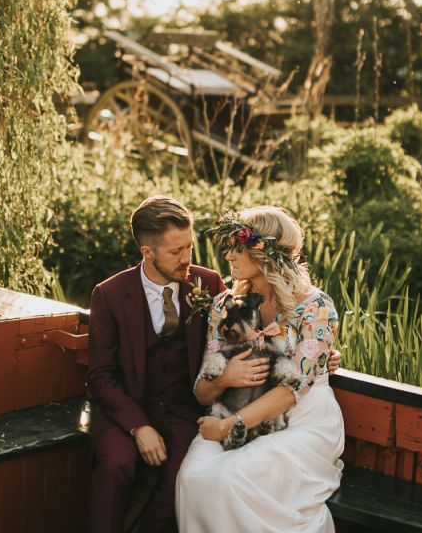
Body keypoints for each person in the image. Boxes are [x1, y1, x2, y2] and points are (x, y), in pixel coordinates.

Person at [87, 196, 342, 533]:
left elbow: (296, 373)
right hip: (138, 409)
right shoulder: (113, 294)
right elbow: (102, 376)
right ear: (147, 252)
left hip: (257, 415)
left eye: (189, 247)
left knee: (199, 477)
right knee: (125, 467)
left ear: (265, 253)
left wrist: (324, 358)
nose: (188, 258)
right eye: (176, 251)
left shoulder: (208, 284)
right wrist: (220, 380)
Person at [175, 206, 345, 533]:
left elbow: (292, 391)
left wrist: (229, 427)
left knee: (232, 480)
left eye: (237, 248)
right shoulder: (225, 306)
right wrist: (224, 379)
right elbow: (202, 393)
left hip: (301, 420)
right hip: (234, 407)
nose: (229, 256)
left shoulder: (316, 307)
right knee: (193, 477)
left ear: (265, 252)